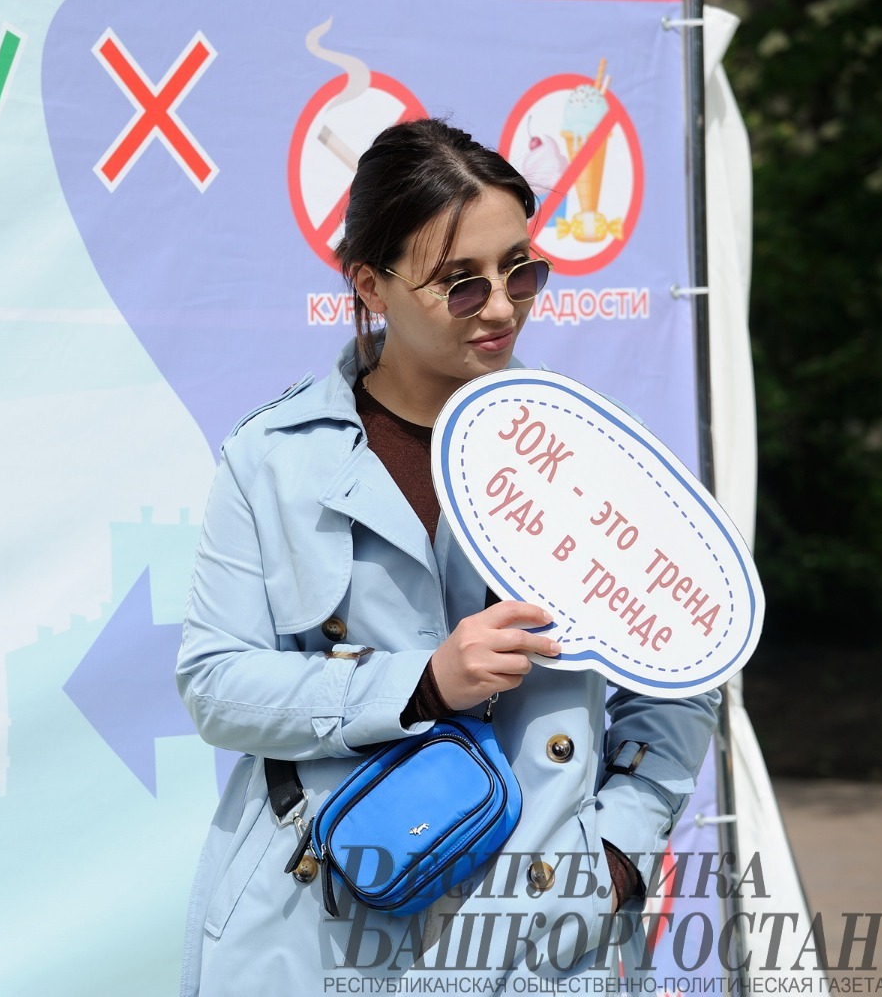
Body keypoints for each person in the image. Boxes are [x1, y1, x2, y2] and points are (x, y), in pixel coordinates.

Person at [175, 118, 719, 994]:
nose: (501, 306)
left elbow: (684, 670)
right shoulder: (272, 457)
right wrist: (419, 684)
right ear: (371, 283)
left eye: (521, 270)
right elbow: (216, 684)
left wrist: (618, 851)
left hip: (539, 932)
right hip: (321, 922)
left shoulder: (591, 453)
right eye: (461, 284)